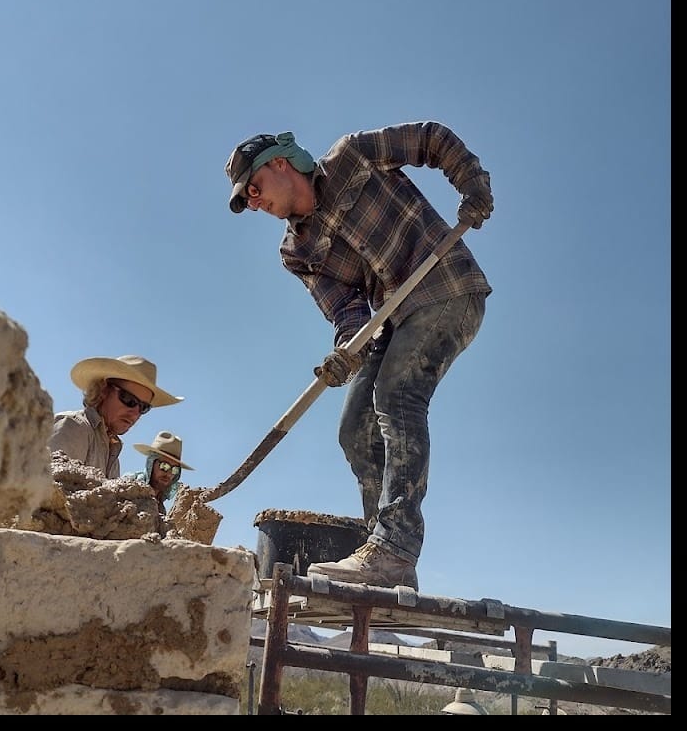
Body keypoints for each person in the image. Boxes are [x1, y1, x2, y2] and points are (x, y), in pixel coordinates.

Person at [225, 127, 493, 588]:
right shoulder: (296, 252)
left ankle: (395, 547)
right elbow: (348, 313)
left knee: (397, 394)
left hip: (445, 287)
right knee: (355, 428)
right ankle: (381, 558)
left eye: (253, 189)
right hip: (393, 318)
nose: (254, 203)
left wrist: (472, 183)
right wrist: (346, 352)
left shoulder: (354, 155)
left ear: (280, 164)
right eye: (246, 202)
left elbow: (432, 140)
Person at [49, 354, 180, 479]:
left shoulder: (113, 454)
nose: (135, 413)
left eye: (143, 407)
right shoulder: (73, 427)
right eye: (129, 399)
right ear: (104, 390)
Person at [132, 430, 195, 507]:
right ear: (151, 463)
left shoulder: (160, 506)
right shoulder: (130, 488)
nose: (169, 474)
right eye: (164, 466)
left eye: (175, 470)